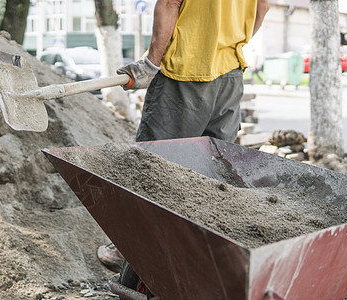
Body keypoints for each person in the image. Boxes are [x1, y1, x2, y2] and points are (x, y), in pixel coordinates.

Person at [97, 0, 269, 272]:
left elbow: (169, 3)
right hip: (230, 76)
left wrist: (151, 64)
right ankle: (195, 257)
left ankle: (129, 251)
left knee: (154, 167)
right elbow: (262, 8)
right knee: (211, 177)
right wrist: (228, 45)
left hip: (185, 70)